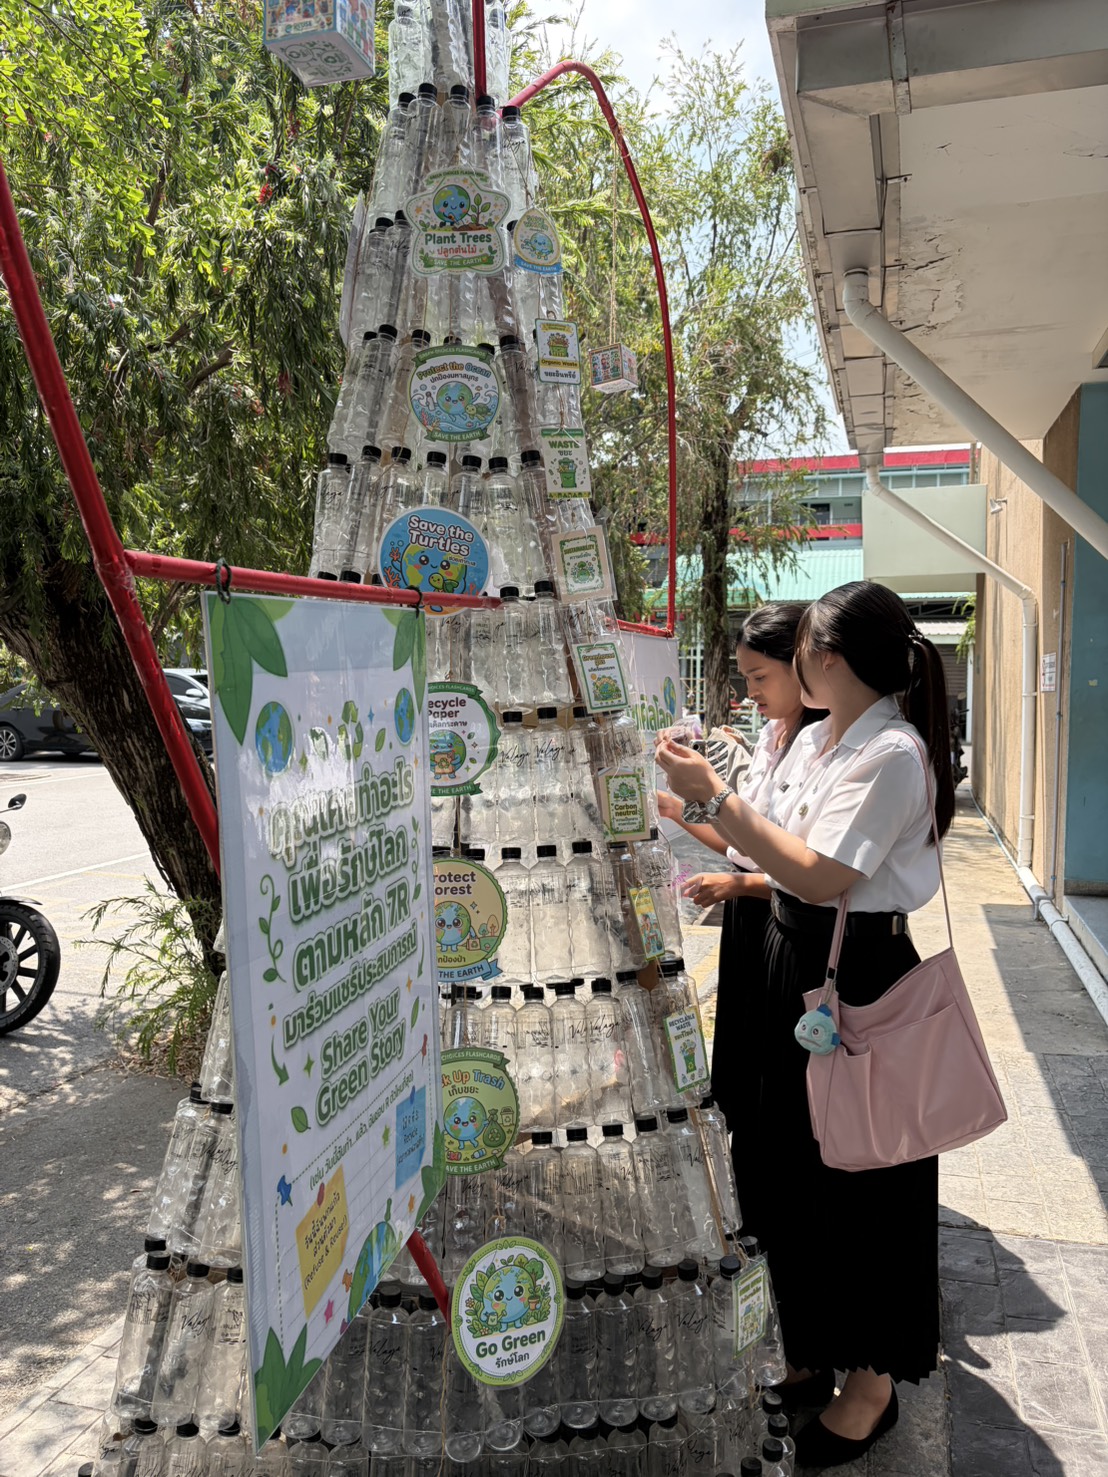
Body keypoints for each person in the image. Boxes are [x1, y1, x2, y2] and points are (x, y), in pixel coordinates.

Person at [655, 581, 955, 1470]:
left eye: (794, 655)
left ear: (826, 657)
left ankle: (871, 1387)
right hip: (802, 959)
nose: (779, 675)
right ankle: (814, 1346)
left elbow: (819, 874)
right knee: (796, 1173)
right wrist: (703, 800)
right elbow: (770, 847)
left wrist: (713, 794)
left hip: (853, 968)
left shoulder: (891, 753)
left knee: (862, 1178)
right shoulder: (827, 738)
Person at [657, 602, 823, 1131]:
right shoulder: (775, 738)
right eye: (745, 677)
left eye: (760, 676)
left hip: (788, 923)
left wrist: (741, 884)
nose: (750, 692)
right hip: (756, 920)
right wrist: (675, 806)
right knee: (746, 1070)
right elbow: (741, 841)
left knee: (776, 1082)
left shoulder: (825, 746)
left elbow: (809, 873)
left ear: (803, 664)